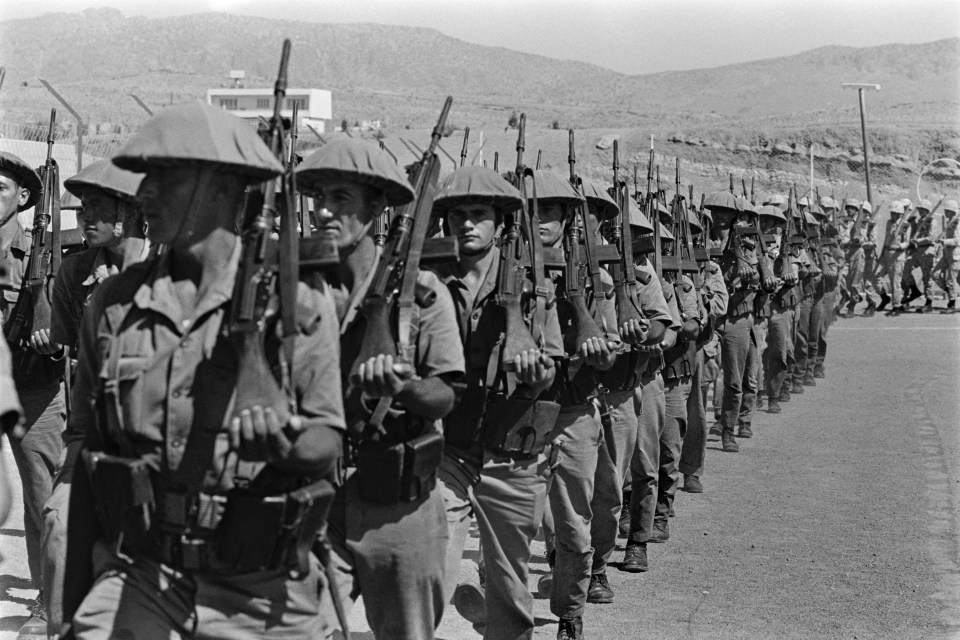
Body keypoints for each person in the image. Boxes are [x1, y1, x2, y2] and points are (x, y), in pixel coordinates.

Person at [62, 102, 345, 639]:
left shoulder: (297, 301)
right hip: (146, 573)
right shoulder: (115, 305)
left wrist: (281, 439)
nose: (143, 192)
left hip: (259, 588)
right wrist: (73, 599)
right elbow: (89, 455)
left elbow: (325, 444)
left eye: (164, 178)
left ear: (220, 186)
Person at [295, 138, 464, 640]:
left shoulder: (422, 292)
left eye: (341, 198)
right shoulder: (297, 290)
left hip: (396, 501)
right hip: (315, 497)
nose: (324, 210)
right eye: (318, 197)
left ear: (375, 209)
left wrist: (403, 386)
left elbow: (444, 395)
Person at [432, 165, 564, 638]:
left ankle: (498, 622)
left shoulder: (530, 286)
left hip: (512, 452)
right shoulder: (428, 280)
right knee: (431, 563)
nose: (467, 224)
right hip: (448, 446)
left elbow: (549, 366)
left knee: (510, 582)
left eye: (479, 214)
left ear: (500, 224)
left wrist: (533, 374)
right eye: (457, 215)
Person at [41, 158, 149, 635]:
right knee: (59, 529)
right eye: (83, 207)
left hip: (158, 432)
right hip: (92, 429)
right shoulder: (73, 273)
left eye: (98, 207)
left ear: (128, 212)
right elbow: (72, 357)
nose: (85, 217)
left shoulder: (166, 268)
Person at [529, 169, 618, 640]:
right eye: (531, 210)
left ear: (566, 218)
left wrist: (601, 353)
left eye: (549, 211)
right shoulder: (504, 272)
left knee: (575, 530)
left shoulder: (592, 277)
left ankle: (568, 612)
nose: (539, 219)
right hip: (517, 415)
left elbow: (607, 346)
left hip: (573, 412)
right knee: (505, 530)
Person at [586, 185, 670, 601]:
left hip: (620, 387)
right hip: (569, 392)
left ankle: (602, 562)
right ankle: (564, 559)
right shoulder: (551, 266)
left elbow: (662, 326)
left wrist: (639, 330)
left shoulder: (635, 270)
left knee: (614, 486)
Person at [0, 151, 66, 636]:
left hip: (30, 387)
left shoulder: (43, 257)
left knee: (43, 498)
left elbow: (69, 323)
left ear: (24, 198)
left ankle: (50, 599)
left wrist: (52, 337)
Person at [903, 199, 939, 313]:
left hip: (928, 250)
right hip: (917, 251)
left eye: (923, 210)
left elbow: (931, 237)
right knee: (906, 268)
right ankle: (914, 290)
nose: (920, 211)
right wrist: (913, 225)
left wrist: (918, 240)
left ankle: (929, 303)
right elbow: (915, 234)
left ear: (927, 210)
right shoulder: (919, 221)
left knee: (927, 277)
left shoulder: (932, 221)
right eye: (919, 209)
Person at [876, 201, 912, 315]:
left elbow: (907, 242)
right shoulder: (888, 223)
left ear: (900, 214)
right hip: (886, 253)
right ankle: (884, 297)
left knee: (895, 282)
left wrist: (900, 246)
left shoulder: (905, 225)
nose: (892, 215)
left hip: (897, 255)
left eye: (895, 213)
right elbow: (886, 239)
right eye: (892, 212)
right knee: (875, 277)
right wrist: (881, 253)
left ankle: (896, 306)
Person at [934, 200, 959, 312]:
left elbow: (958, 240)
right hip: (946, 254)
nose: (945, 212)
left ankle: (952, 303)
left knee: (951, 279)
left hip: (955, 255)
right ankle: (949, 292)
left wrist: (945, 241)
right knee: (935, 274)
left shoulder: (957, 223)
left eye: (947, 210)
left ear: (952, 211)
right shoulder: (950, 221)